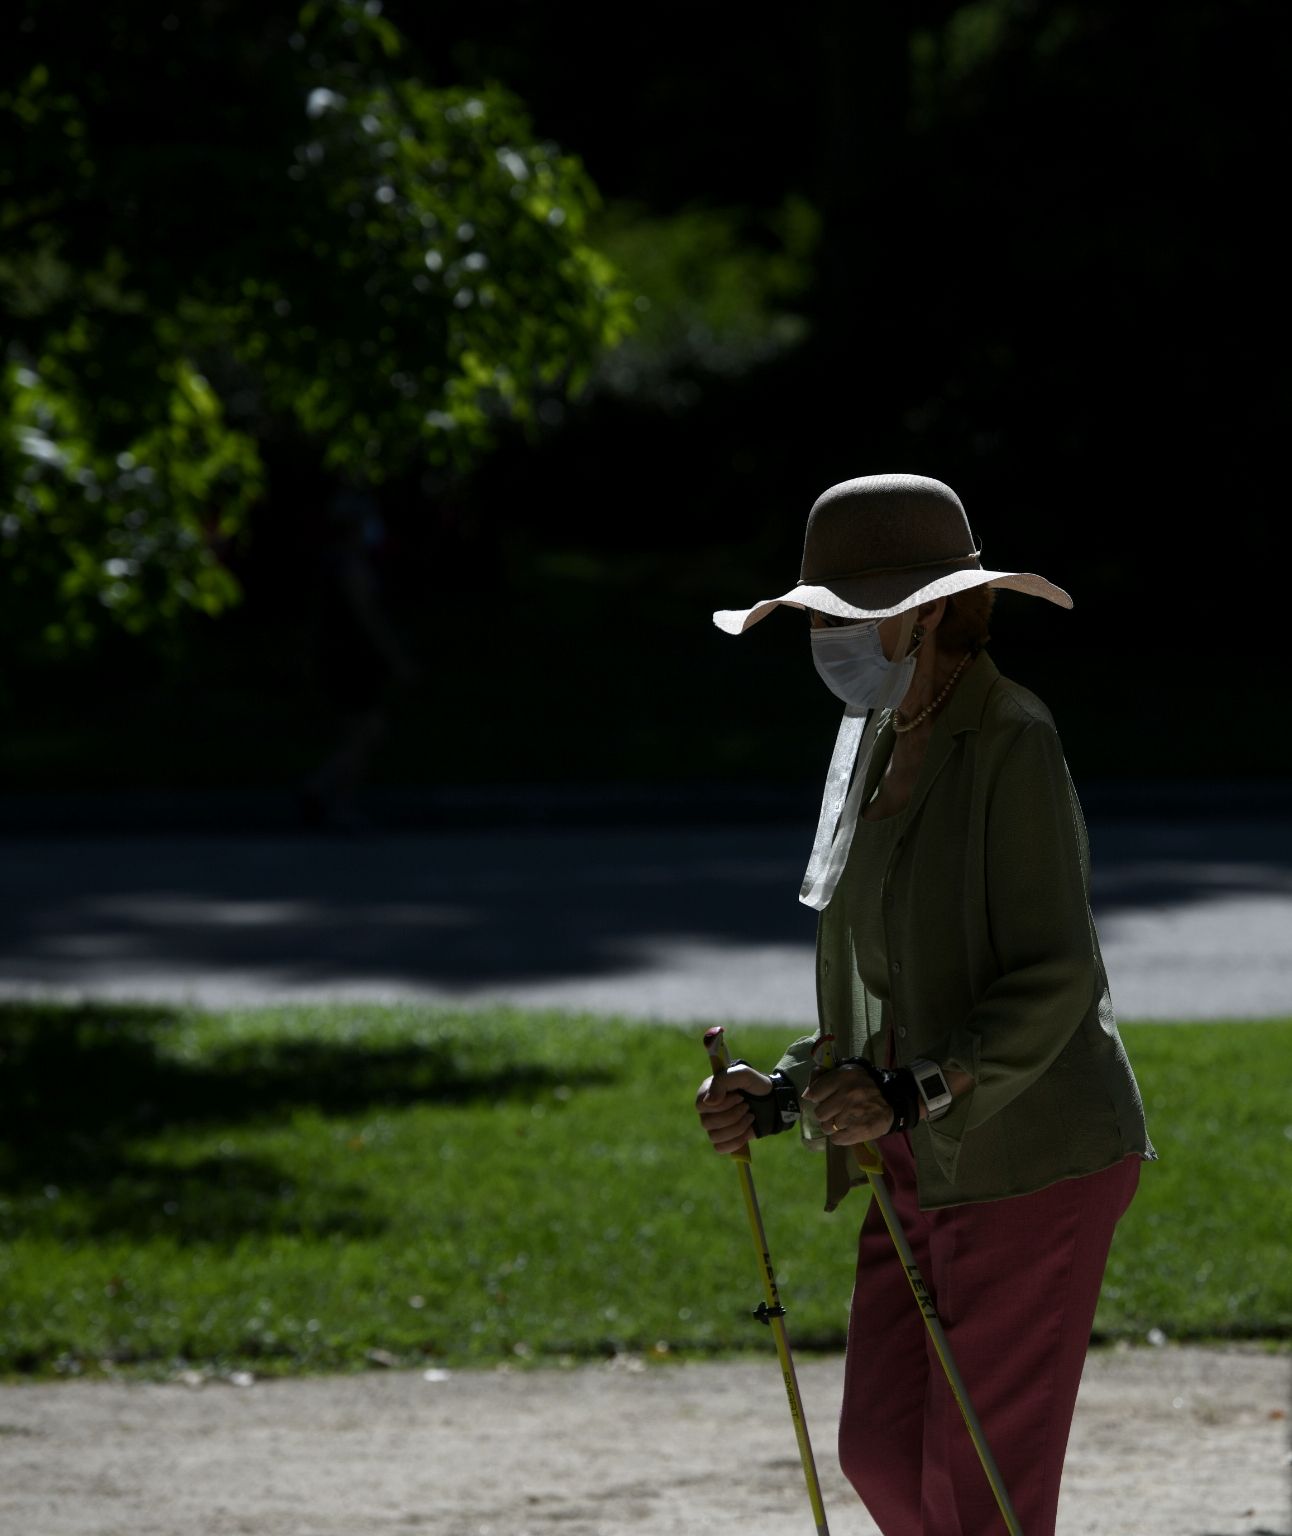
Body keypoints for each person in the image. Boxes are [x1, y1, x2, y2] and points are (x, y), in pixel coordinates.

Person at [694, 473, 1154, 1536]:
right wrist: (788, 1092)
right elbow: (885, 984)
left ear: (938, 608)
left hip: (1028, 1153)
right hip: (915, 1153)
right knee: (881, 1456)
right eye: (821, 615)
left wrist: (914, 1089)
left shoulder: (1009, 739)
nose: (831, 637)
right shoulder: (869, 741)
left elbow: (1057, 976)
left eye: (857, 616)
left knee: (978, 1488)